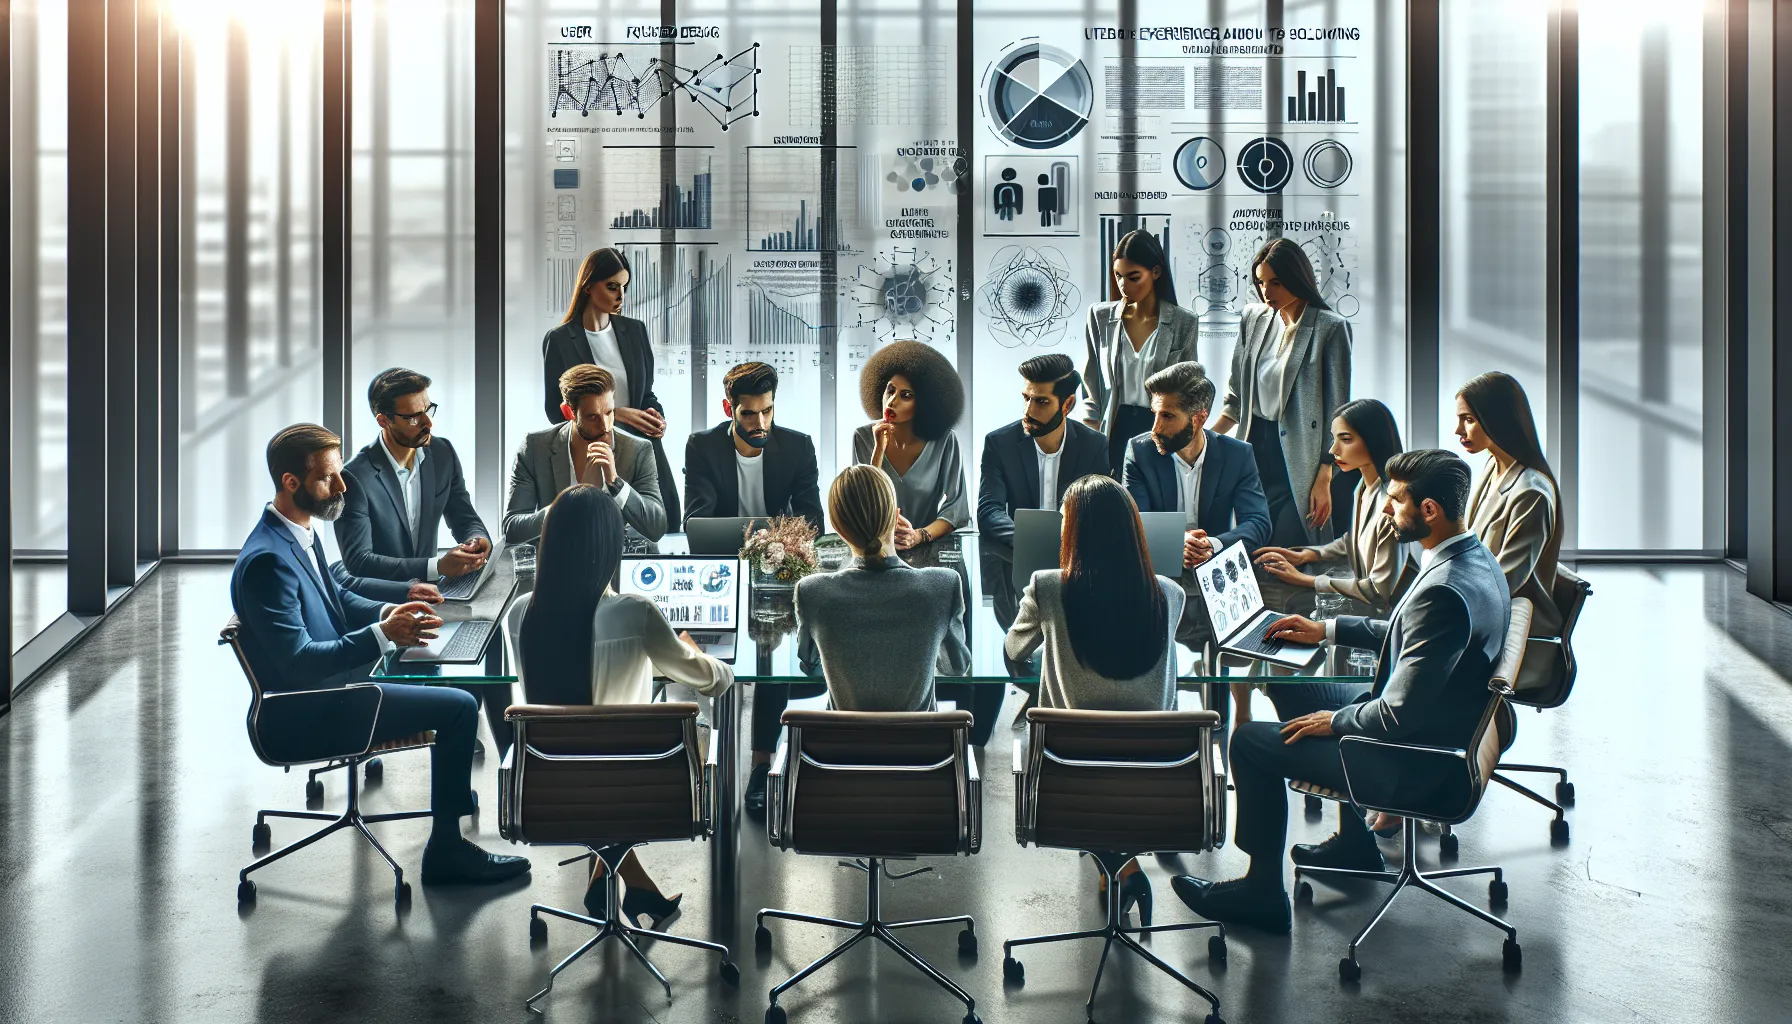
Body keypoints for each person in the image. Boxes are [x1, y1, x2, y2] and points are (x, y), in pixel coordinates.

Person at [1169, 450, 1510, 933]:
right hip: (1433, 730)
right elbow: (1404, 632)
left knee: (1249, 742)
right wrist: (1323, 629)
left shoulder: (1444, 591)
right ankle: (1356, 846)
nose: (1386, 511)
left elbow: (1393, 718)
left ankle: (1261, 891)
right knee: (1291, 689)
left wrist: (1334, 722)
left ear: (1429, 510)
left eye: (1394, 501)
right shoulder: (1472, 560)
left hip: (1409, 760)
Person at [229, 424, 530, 886]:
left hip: (337, 687)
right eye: (329, 477)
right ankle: (447, 853)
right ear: (291, 482)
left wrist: (392, 610)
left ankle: (457, 827)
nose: (344, 486)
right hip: (314, 708)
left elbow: (337, 600)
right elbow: (300, 661)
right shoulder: (268, 561)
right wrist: (384, 634)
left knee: (452, 676)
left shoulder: (296, 531)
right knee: (459, 707)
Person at [507, 484, 731, 929]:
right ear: (610, 545)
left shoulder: (519, 615)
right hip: (637, 784)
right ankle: (639, 890)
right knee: (645, 752)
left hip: (549, 787)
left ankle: (608, 884)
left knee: (589, 764)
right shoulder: (635, 612)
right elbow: (710, 680)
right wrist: (706, 660)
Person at [1005, 474, 1183, 923]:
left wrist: (1054, 638)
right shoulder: (1169, 594)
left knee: (1083, 751)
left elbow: (1013, 651)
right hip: (1154, 775)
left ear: (1075, 532)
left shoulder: (1049, 587)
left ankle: (1119, 869)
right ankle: (1120, 869)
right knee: (1112, 758)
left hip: (1069, 772)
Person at [334, 369, 509, 757]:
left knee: (490, 629)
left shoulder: (441, 453)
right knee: (463, 635)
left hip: (434, 587)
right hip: (383, 593)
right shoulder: (355, 477)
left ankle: (505, 746)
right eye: (414, 415)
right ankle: (453, 725)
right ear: (384, 420)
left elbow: (464, 514)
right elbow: (358, 562)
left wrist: (477, 538)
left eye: (428, 408)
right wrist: (436, 566)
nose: (427, 421)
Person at [1250, 398, 1418, 721]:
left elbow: (1378, 590)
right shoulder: (1363, 489)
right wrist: (1306, 555)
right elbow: (1349, 541)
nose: (1333, 450)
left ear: (1372, 440)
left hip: (1384, 636)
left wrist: (1308, 580)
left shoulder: (1391, 503)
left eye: (1345, 439)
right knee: (1280, 658)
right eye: (1334, 438)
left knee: (1285, 663)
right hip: (1363, 622)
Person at [1210, 238, 1352, 549]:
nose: (1266, 291)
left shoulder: (1330, 328)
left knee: (1289, 543)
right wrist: (1204, 439)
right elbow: (1235, 399)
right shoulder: (1254, 319)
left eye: (1275, 282)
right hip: (1253, 447)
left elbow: (1338, 412)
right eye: (1260, 282)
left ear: (1296, 278)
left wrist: (1324, 476)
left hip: (1302, 453)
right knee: (1252, 542)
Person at [794, 465, 971, 712]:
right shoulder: (943, 585)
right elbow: (956, 667)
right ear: (896, 516)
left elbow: (809, 662)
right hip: (922, 746)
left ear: (837, 527)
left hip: (839, 746)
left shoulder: (813, 591)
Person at [1121, 361, 1272, 645]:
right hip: (1157, 578)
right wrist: (1177, 542)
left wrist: (1212, 545)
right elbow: (1135, 520)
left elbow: (1258, 523)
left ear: (1198, 419)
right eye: (1154, 414)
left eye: (1167, 416)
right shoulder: (1140, 451)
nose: (1155, 428)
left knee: (1231, 657)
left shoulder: (1238, 455)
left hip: (1221, 580)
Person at [541, 246, 681, 527]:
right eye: (612, 286)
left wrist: (655, 414)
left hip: (641, 447)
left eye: (624, 287)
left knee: (659, 524)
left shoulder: (636, 330)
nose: (621, 296)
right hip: (591, 451)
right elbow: (556, 411)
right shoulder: (559, 340)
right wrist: (619, 414)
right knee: (595, 529)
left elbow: (645, 393)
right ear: (589, 286)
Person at [977, 353, 1110, 635]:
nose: (1028, 410)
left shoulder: (1094, 446)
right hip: (1014, 571)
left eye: (1041, 401)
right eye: (1026, 398)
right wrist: (1039, 542)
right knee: (1017, 662)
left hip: (1077, 574)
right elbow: (989, 513)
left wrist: (1067, 545)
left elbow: (1098, 513)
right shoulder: (999, 443)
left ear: (1068, 404)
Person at [505, 364, 666, 552]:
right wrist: (571, 502)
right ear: (569, 412)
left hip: (616, 566)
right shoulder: (535, 447)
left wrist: (615, 484)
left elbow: (656, 528)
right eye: (592, 417)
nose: (605, 426)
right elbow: (512, 529)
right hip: (557, 564)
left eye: (609, 412)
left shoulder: (638, 450)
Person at [1456, 371, 1564, 638]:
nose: (1458, 431)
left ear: (1498, 420)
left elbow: (1504, 582)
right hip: (1480, 611)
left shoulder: (1531, 493)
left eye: (1468, 420)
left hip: (1516, 632)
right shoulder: (1493, 466)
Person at [1081, 229, 1199, 472]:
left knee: (1155, 505)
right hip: (1114, 427)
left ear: (1155, 272)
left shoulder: (1183, 322)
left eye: (1133, 277)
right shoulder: (1100, 316)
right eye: (1118, 276)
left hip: (1161, 428)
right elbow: (1091, 383)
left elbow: (1190, 391)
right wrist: (1091, 437)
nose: (1124, 285)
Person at [851, 340, 970, 548]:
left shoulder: (944, 441)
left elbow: (956, 509)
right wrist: (878, 450)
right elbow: (861, 503)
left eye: (906, 395)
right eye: (890, 391)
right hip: (875, 550)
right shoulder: (863, 437)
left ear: (925, 403)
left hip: (928, 548)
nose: (892, 401)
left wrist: (918, 536)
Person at [682, 361, 824, 533]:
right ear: (729, 409)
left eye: (767, 411)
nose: (761, 424)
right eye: (748, 413)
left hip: (781, 553)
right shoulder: (703, 447)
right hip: (725, 553)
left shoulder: (798, 448)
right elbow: (698, 523)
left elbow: (812, 520)